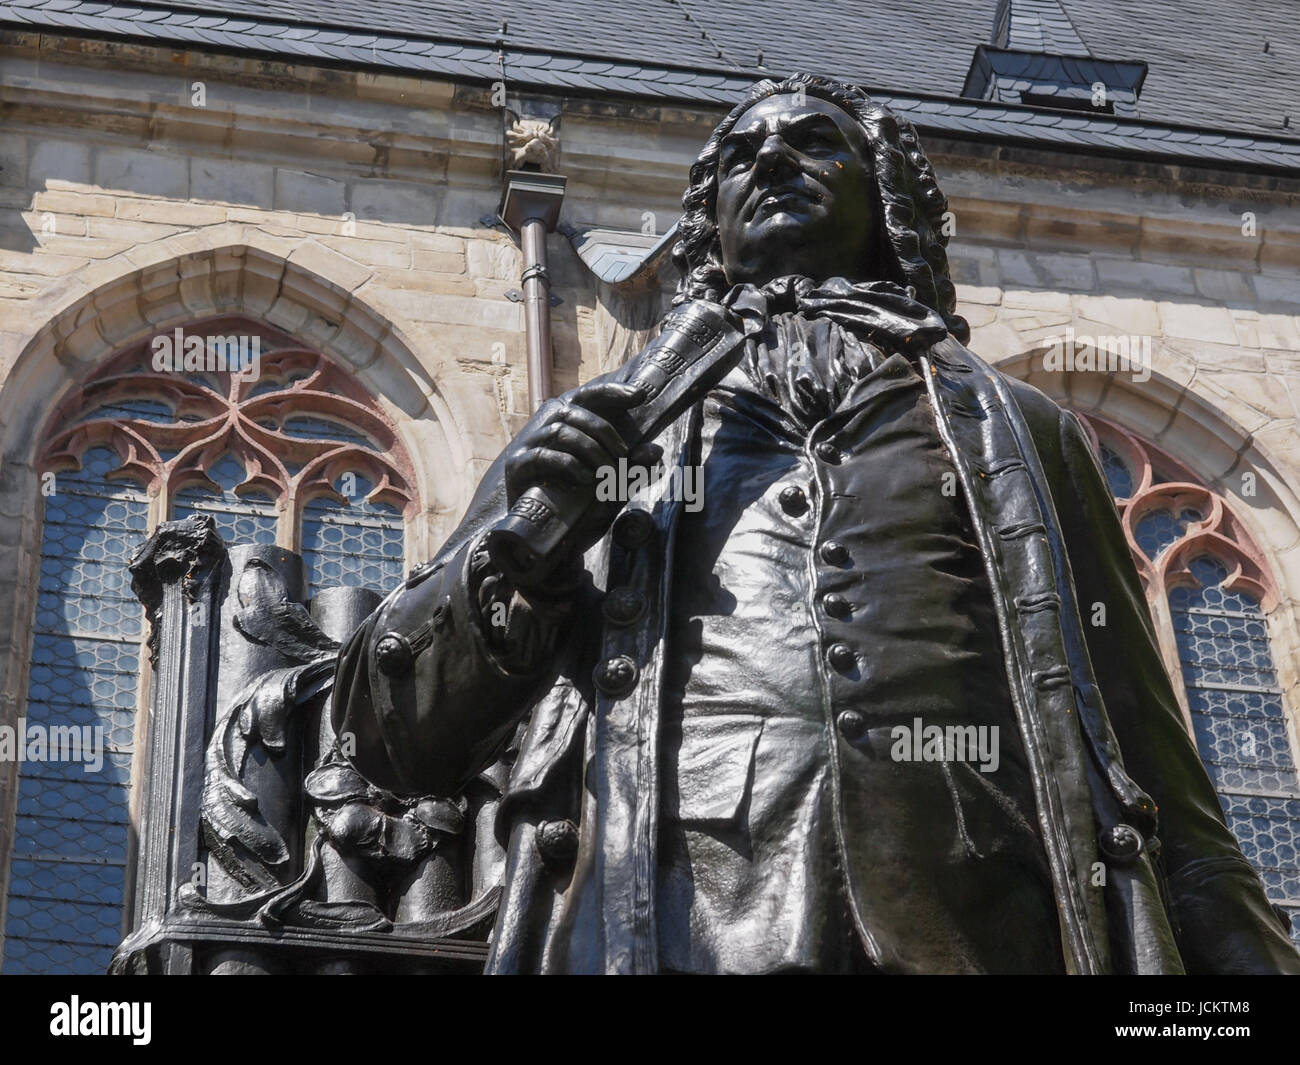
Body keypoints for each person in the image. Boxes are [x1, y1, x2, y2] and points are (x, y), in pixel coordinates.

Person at [332, 73, 1300, 974]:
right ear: (708, 225)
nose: (771, 161)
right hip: (675, 937)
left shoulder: (1022, 434)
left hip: (988, 939)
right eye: (743, 155)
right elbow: (391, 734)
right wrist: (526, 559)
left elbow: (1171, 799)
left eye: (811, 143)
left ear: (884, 207)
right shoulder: (618, 425)